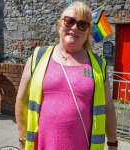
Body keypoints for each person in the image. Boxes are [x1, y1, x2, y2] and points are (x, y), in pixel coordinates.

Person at [15, 1, 117, 150]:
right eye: (69, 21)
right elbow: (21, 99)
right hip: (42, 145)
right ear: (59, 25)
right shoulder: (38, 57)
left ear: (88, 32)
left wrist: (113, 144)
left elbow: (108, 107)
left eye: (82, 25)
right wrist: (22, 137)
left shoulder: (99, 65)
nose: (74, 28)